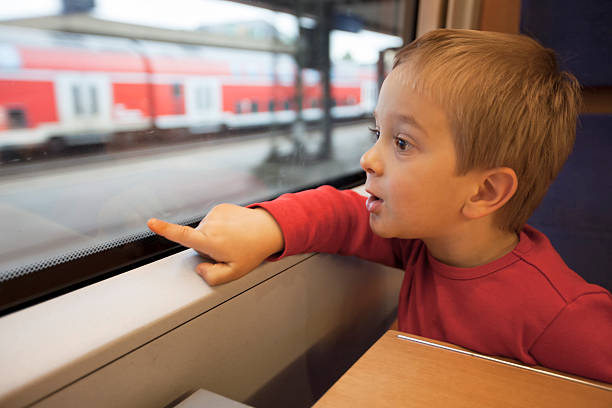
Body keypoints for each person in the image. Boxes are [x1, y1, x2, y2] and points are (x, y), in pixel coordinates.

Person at [148, 29, 612, 384]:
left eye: (403, 142)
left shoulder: (560, 312)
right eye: (378, 135)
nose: (369, 160)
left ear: (483, 193)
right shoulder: (423, 243)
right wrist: (267, 227)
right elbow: (345, 215)